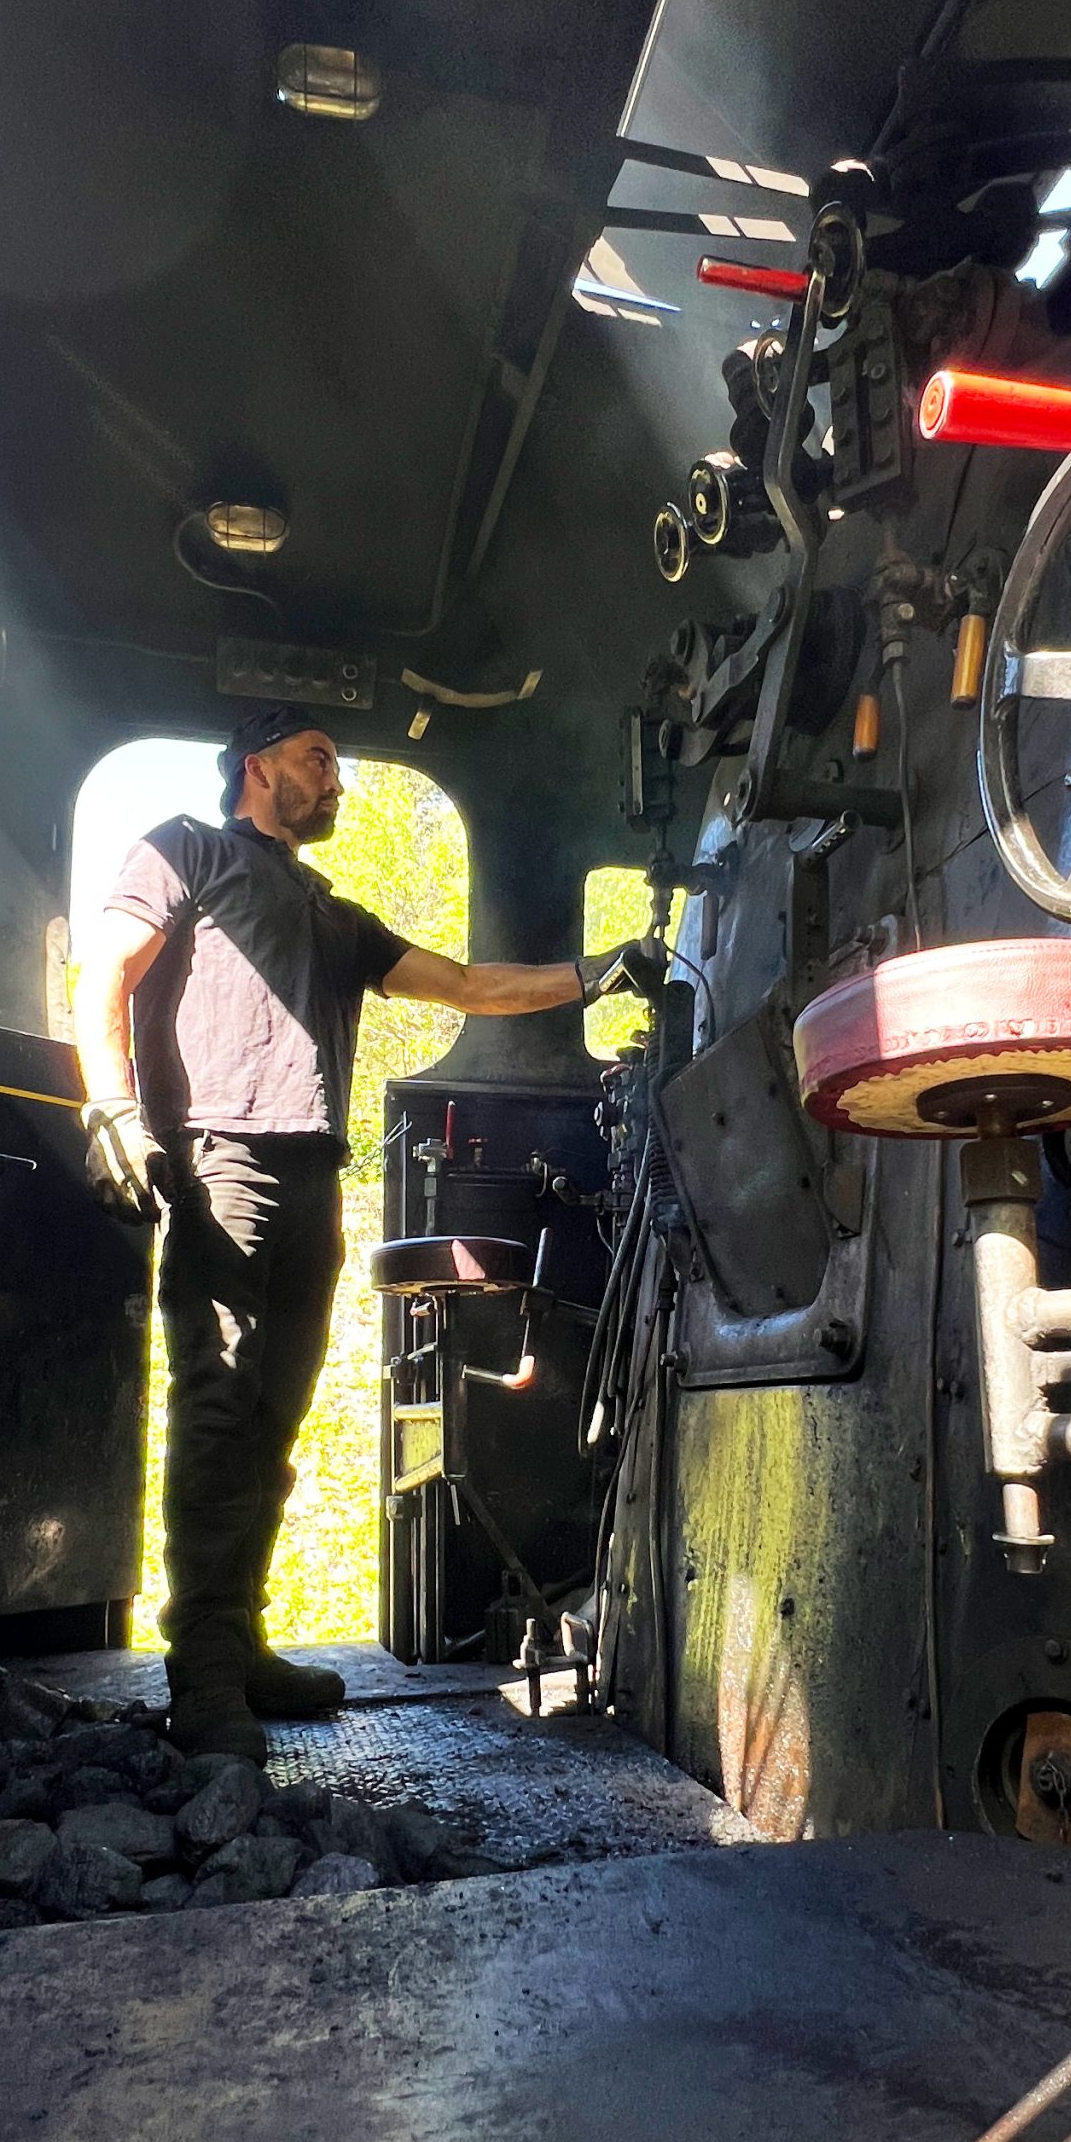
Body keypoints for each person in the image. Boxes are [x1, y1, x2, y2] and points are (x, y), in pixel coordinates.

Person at [76, 702, 662, 1760]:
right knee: (217, 1404)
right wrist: (112, 1108)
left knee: (273, 1421)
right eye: (317, 758)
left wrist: (598, 972)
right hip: (221, 1164)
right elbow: (103, 974)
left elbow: (472, 984)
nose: (336, 780)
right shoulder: (186, 850)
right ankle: (201, 1672)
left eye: (338, 761)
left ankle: (241, 1643)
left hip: (310, 1176)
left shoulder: (332, 914)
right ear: (256, 768)